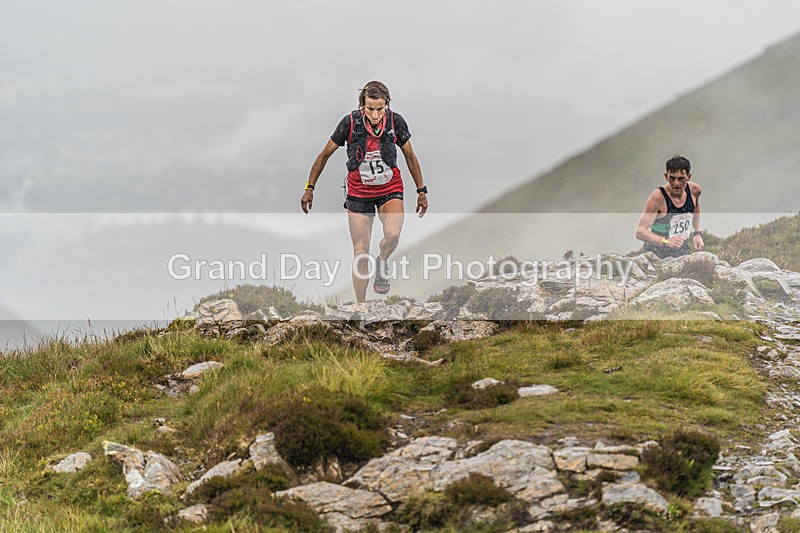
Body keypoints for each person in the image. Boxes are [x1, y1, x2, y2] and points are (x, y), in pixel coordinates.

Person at [301, 81, 427, 302]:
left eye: (380, 109)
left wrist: (421, 191)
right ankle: (361, 306)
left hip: (390, 189)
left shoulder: (396, 122)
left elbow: (410, 156)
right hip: (359, 194)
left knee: (393, 235)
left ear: (386, 105)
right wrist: (309, 188)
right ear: (362, 106)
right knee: (360, 253)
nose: (375, 114)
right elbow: (324, 155)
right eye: (370, 109)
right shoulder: (349, 123)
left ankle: (382, 260)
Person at [635, 154, 704, 258]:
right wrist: (666, 241)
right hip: (656, 254)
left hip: (681, 250)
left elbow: (696, 208)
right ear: (666, 176)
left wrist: (697, 233)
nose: (676, 183)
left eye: (681, 179)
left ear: (689, 177)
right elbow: (640, 231)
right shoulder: (658, 197)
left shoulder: (695, 191)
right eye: (672, 178)